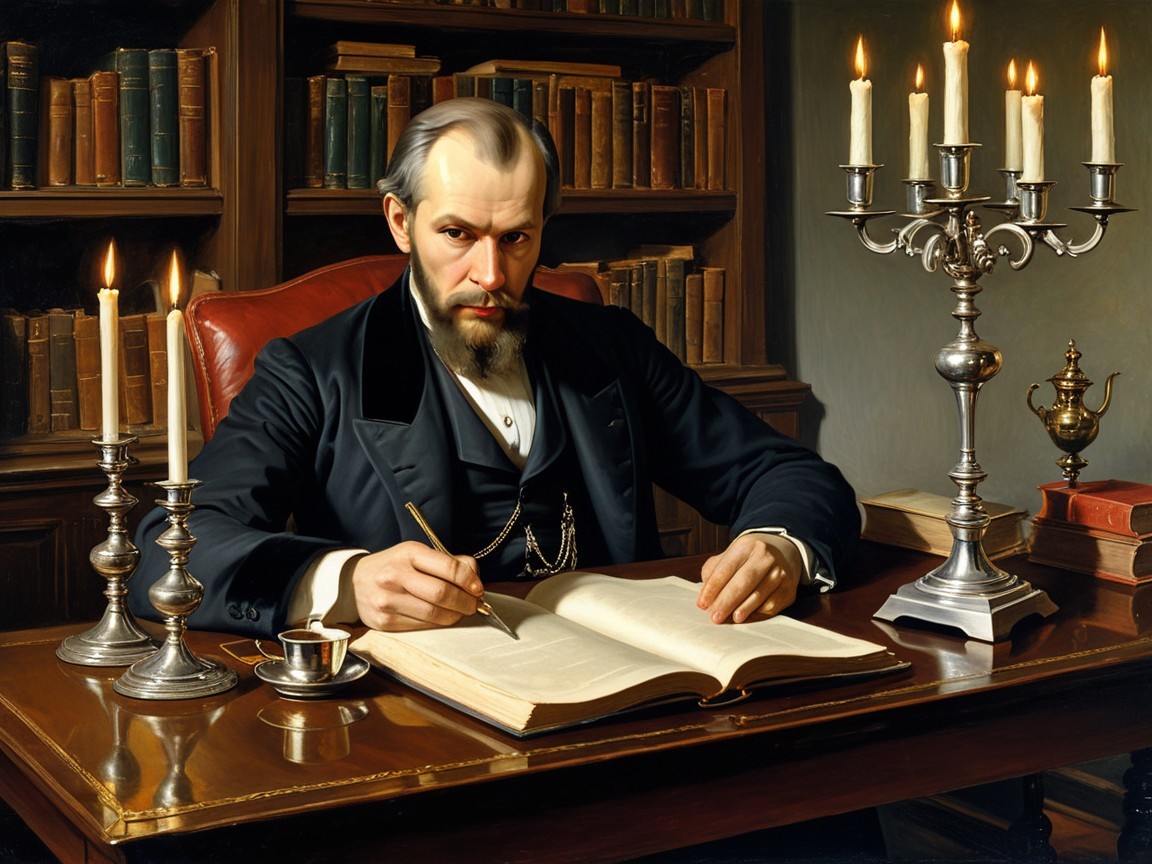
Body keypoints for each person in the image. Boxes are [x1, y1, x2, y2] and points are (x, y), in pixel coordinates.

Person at [129, 97, 860, 640]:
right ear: (400, 222)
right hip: (420, 727)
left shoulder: (609, 346)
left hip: (629, 693)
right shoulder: (313, 371)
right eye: (457, 234)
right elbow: (170, 552)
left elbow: (790, 475)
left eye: (516, 238)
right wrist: (346, 581)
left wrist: (779, 545)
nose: (490, 273)